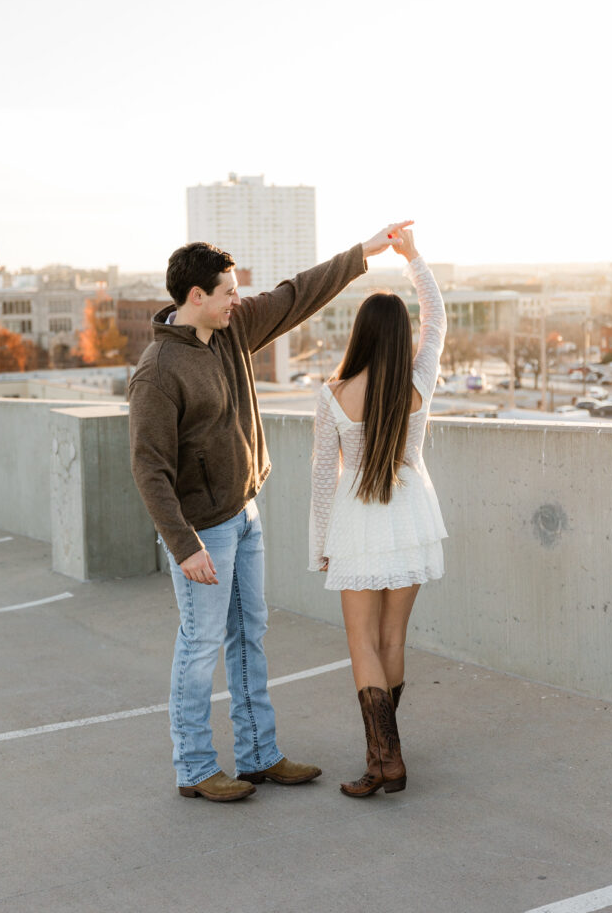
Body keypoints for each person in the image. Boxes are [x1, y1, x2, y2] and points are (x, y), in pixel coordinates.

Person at [128, 222, 405, 802]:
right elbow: (149, 470)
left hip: (243, 513)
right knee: (200, 644)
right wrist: (184, 546)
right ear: (195, 297)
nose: (238, 299)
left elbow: (294, 294)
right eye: (227, 291)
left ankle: (258, 754)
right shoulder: (157, 373)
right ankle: (196, 768)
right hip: (202, 531)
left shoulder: (232, 330)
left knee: (249, 636)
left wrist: (362, 253)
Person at [308, 222, 448, 798]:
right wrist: (413, 257)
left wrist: (320, 544)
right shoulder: (420, 380)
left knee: (361, 642)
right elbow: (437, 317)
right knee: (393, 639)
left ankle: (381, 760)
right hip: (411, 513)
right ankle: (390, 757)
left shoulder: (334, 393)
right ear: (402, 336)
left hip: (359, 518)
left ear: (361, 335)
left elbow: (323, 477)